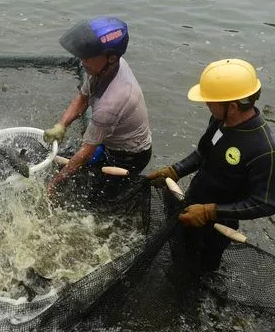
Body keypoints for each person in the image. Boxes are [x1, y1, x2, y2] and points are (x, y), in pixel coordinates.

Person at [147, 58, 275, 273]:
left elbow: (264, 203)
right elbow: (204, 152)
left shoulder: (264, 149)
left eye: (210, 101)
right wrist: (176, 170)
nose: (206, 105)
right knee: (179, 255)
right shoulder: (219, 120)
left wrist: (209, 212)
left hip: (218, 225)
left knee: (200, 270)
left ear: (232, 107)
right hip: (193, 204)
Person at [44, 17, 152, 197]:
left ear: (111, 58)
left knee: (96, 199)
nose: (82, 61)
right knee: (74, 169)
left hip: (129, 156)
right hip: (107, 142)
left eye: (87, 58)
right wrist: (62, 125)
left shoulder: (112, 102)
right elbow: (83, 97)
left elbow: (85, 152)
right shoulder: (106, 67)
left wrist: (55, 183)